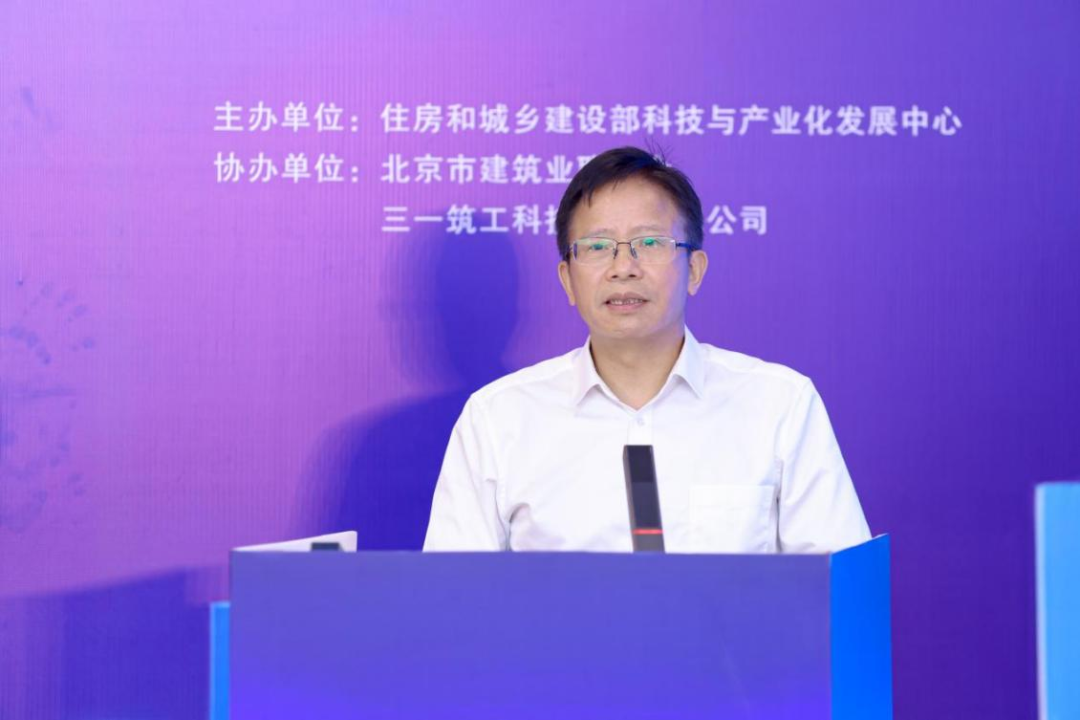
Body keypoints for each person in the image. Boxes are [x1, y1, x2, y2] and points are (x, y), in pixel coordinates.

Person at [423, 146, 870, 553]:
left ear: (695, 270)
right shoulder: (497, 419)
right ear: (567, 280)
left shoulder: (780, 405)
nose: (623, 268)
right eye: (598, 247)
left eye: (650, 243)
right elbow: (453, 600)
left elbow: (839, 591)